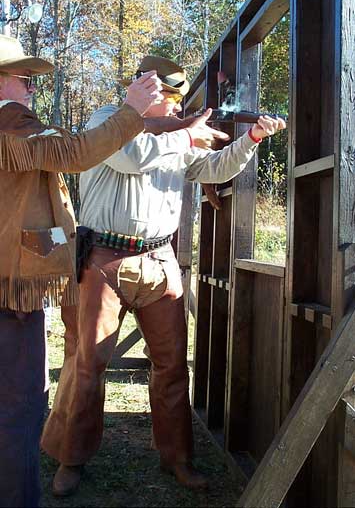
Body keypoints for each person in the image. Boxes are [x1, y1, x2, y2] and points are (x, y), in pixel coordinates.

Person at [41, 55, 286, 496]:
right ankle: (71, 458)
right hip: (102, 259)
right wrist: (187, 134)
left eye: (178, 101)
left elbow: (213, 168)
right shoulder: (107, 121)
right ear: (146, 92)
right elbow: (134, 157)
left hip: (159, 261)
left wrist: (251, 138)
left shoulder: (177, 134)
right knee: (87, 365)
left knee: (172, 367)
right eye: (170, 99)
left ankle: (178, 458)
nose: (176, 108)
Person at [0, 35, 164, 508]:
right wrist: (132, 110)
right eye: (25, 80)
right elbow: (75, 151)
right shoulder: (12, 122)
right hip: (10, 293)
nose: (32, 90)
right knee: (20, 406)